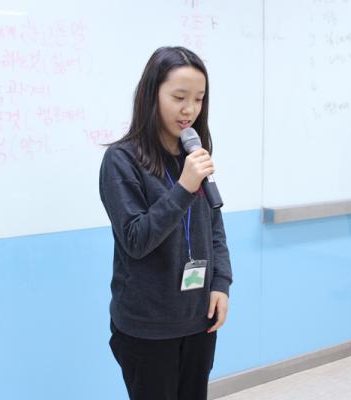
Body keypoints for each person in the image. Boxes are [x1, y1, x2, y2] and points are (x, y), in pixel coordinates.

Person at [99, 46, 233, 400]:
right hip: (147, 326)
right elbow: (136, 239)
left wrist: (221, 283)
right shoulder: (121, 160)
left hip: (198, 317)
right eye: (179, 97)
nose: (190, 109)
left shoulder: (194, 154)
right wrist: (184, 187)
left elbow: (214, 225)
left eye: (199, 99)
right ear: (151, 94)